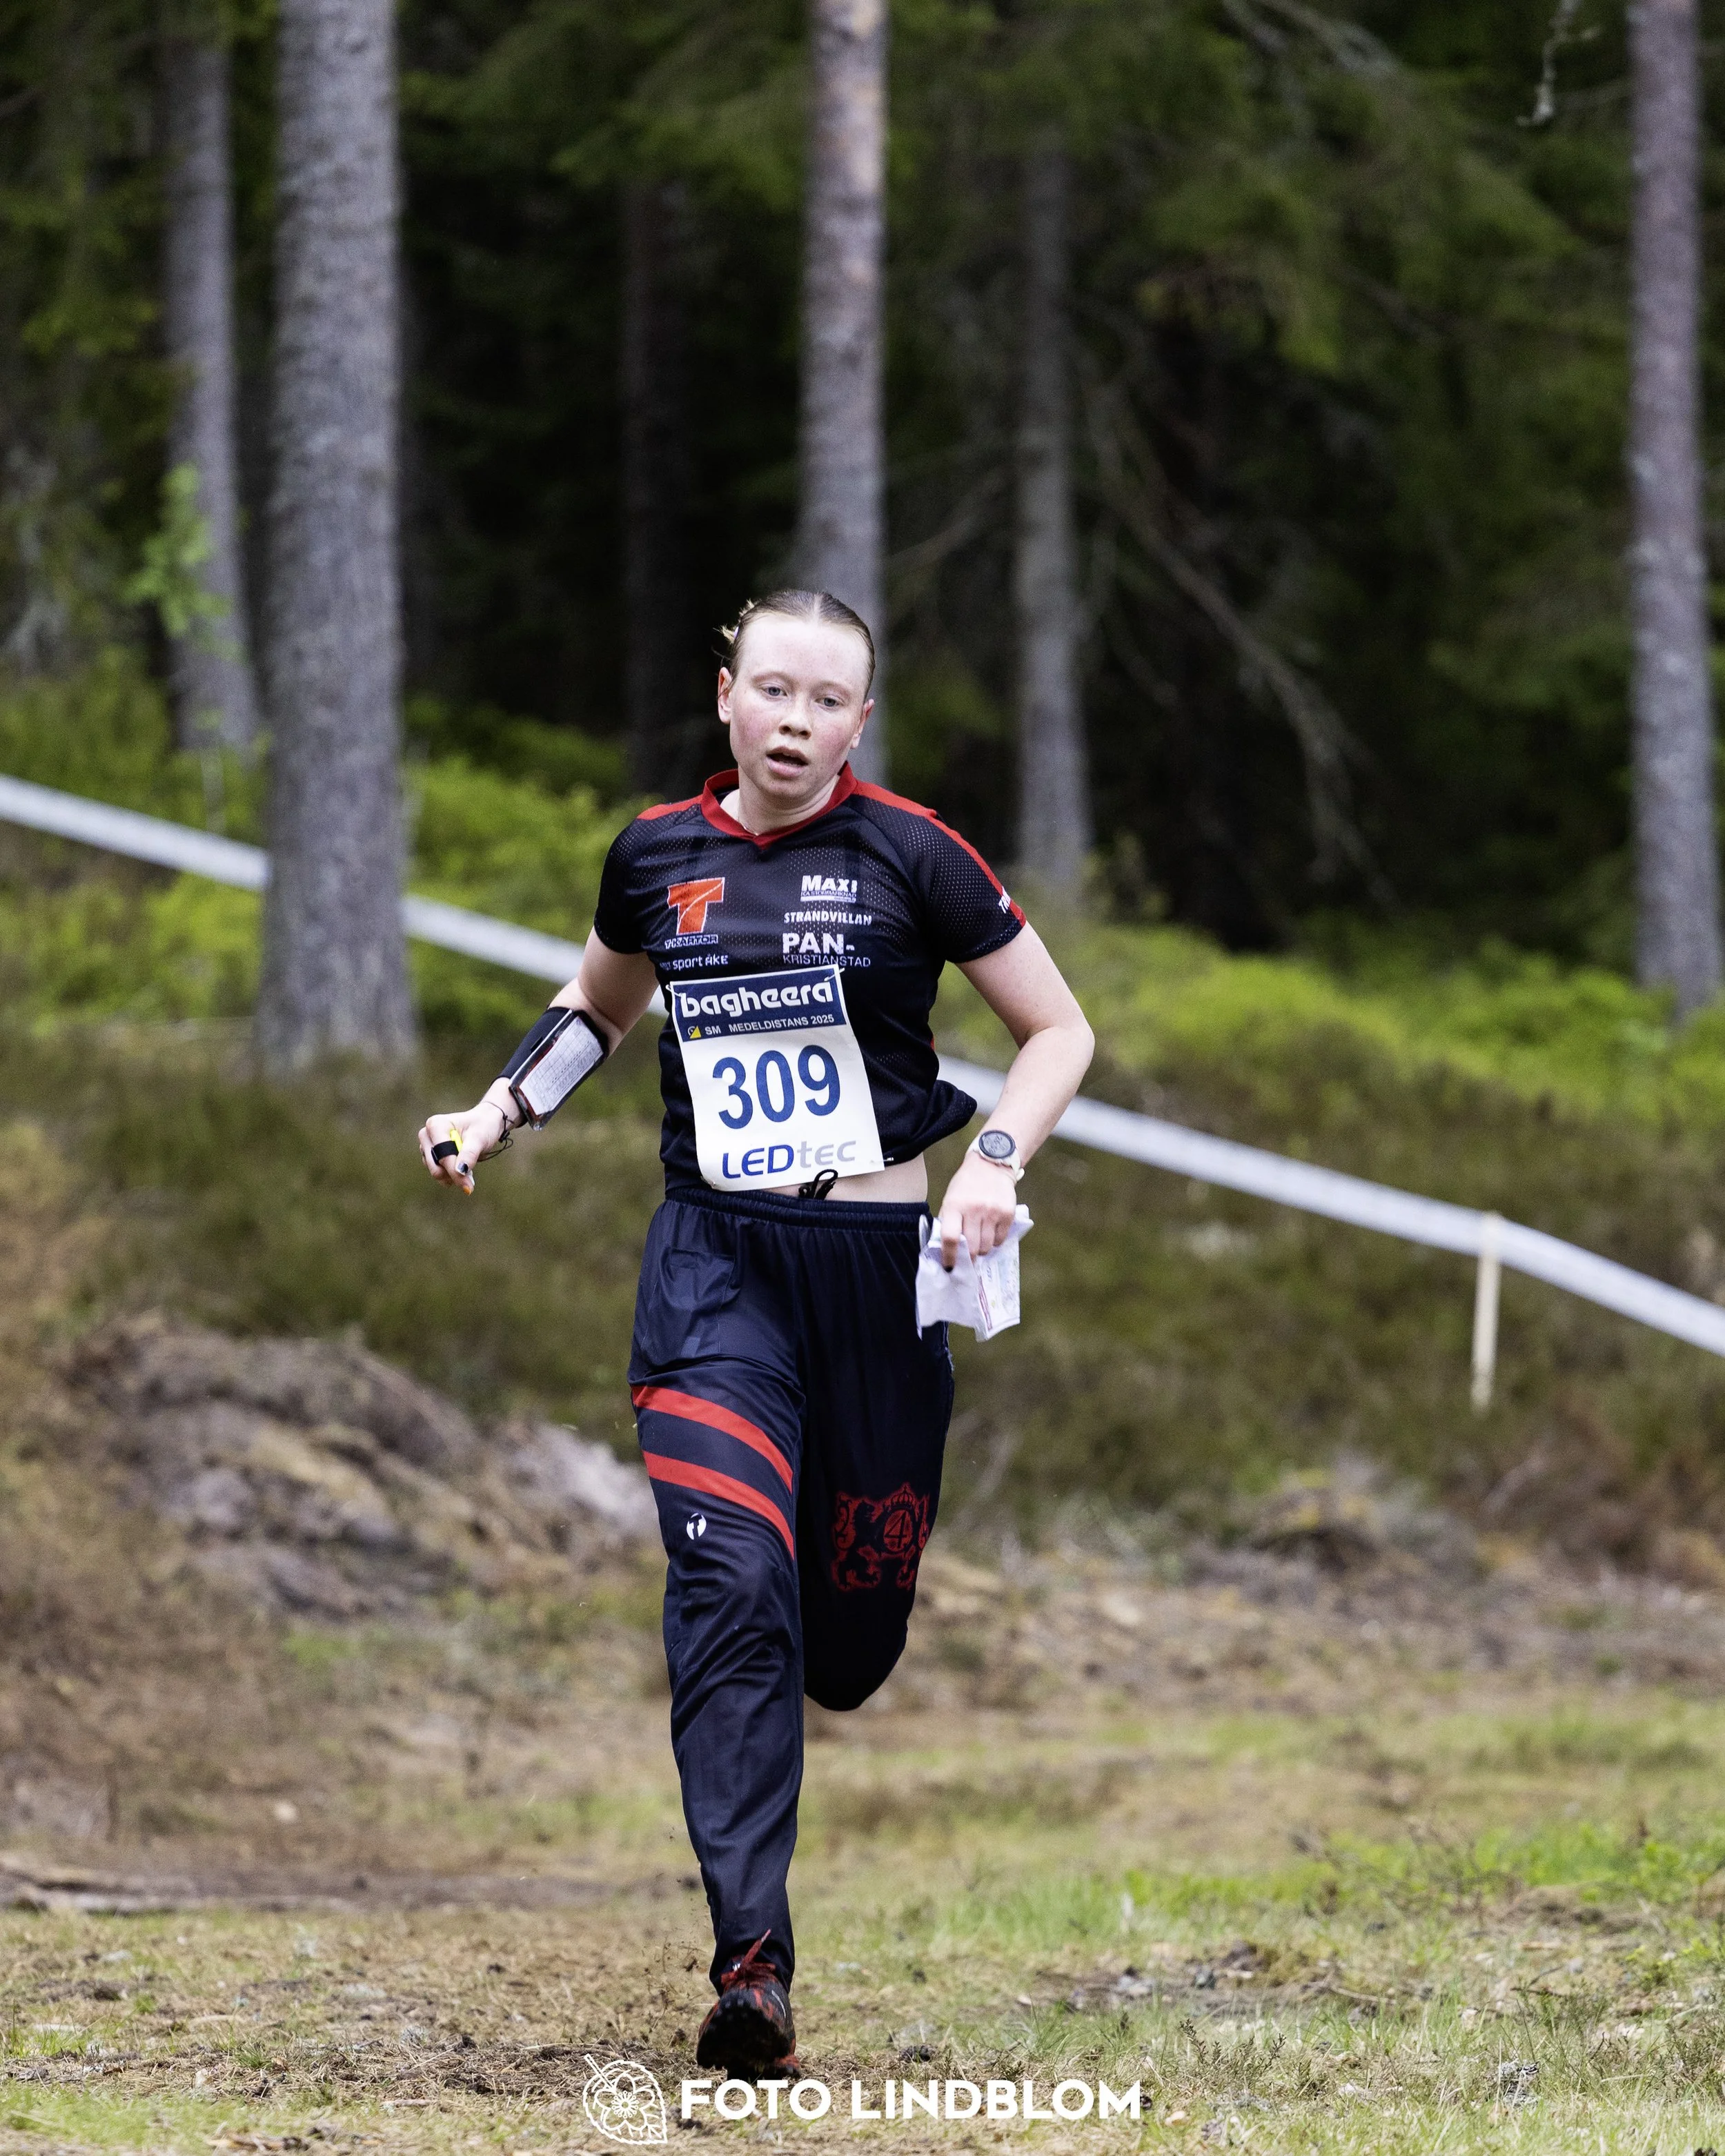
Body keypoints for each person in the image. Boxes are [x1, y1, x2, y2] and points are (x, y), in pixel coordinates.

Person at [417, 590, 1093, 2076]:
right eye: (770, 689)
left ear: (859, 721)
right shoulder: (656, 852)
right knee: (732, 1584)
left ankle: (826, 1664)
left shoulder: (915, 851)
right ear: (724, 694)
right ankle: (750, 1963)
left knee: (842, 1643)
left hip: (872, 1271)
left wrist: (994, 1161)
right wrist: (497, 1107)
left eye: (826, 699)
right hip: (712, 1268)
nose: (793, 720)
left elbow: (1058, 1032)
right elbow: (595, 1006)